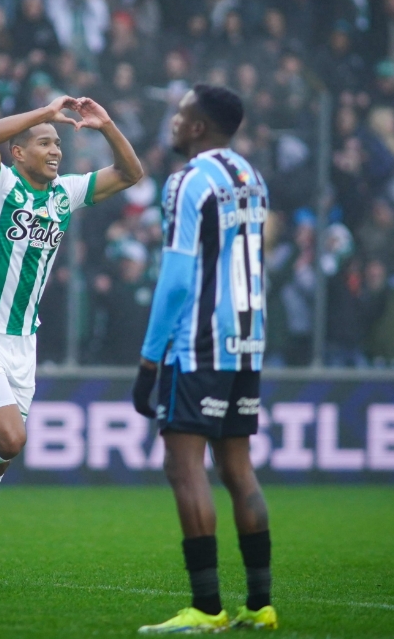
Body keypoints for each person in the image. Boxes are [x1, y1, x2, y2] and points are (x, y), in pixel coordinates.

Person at [0, 94, 143, 583]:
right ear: (18, 153)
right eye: (44, 143)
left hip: (22, 342)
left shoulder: (65, 194)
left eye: (58, 143)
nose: (55, 150)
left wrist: (105, 126)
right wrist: (43, 112)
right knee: (11, 438)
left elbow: (130, 173)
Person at [131, 85, 277, 633]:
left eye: (180, 113)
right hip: (247, 341)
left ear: (197, 127)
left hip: (197, 343)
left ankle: (208, 608)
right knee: (238, 469)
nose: (172, 121)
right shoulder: (251, 177)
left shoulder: (187, 180)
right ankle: (261, 606)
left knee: (183, 466)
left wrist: (148, 363)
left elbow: (174, 278)